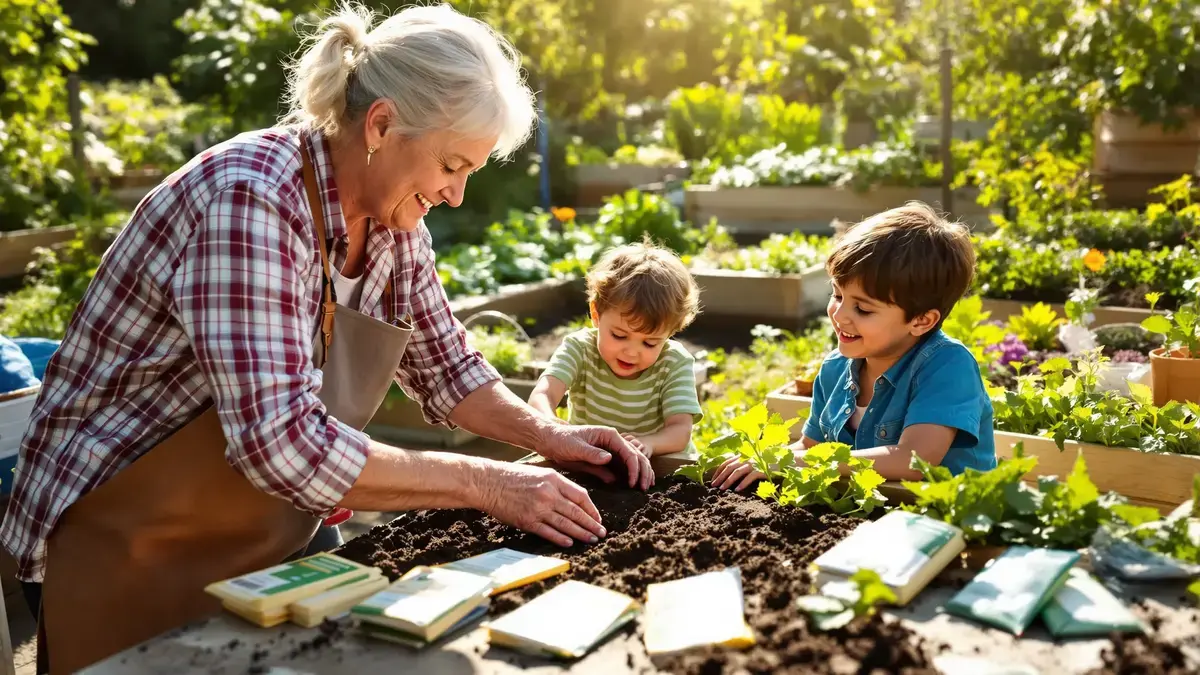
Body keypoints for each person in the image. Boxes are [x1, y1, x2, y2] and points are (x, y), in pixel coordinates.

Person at [1, 4, 651, 672]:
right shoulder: (251, 201)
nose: (455, 194)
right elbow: (280, 444)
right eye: (451, 165)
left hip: (260, 529)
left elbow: (449, 368)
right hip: (126, 544)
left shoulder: (395, 228)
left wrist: (551, 436)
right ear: (381, 125)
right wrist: (486, 483)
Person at [712, 202, 996, 491]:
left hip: (945, 514)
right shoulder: (835, 369)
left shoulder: (947, 366)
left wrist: (792, 462)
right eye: (837, 295)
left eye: (863, 309)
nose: (839, 315)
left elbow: (913, 460)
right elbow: (810, 447)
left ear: (921, 321)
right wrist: (765, 459)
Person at [528, 239, 704, 458]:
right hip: (594, 460)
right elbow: (543, 394)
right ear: (596, 314)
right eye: (619, 336)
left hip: (659, 464)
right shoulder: (580, 348)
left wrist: (648, 444)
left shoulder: (674, 362)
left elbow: (680, 431)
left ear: (671, 332)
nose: (631, 352)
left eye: (650, 343)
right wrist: (552, 427)